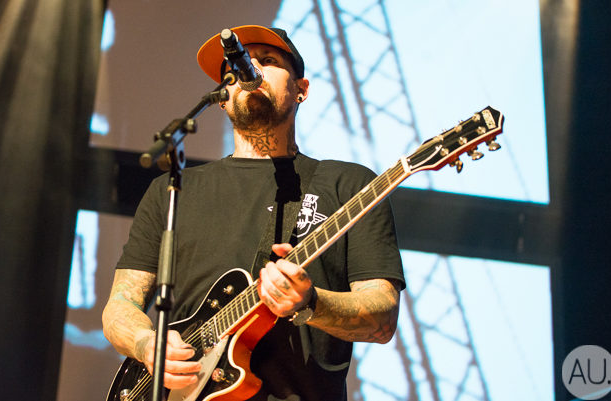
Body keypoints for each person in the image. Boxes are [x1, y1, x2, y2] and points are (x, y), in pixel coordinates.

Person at [102, 25, 405, 401]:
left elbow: (382, 319)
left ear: (301, 89)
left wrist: (312, 303)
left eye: (269, 60)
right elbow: (121, 305)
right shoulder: (173, 190)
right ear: (222, 98)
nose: (251, 68)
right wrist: (146, 342)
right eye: (236, 67)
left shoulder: (349, 184)